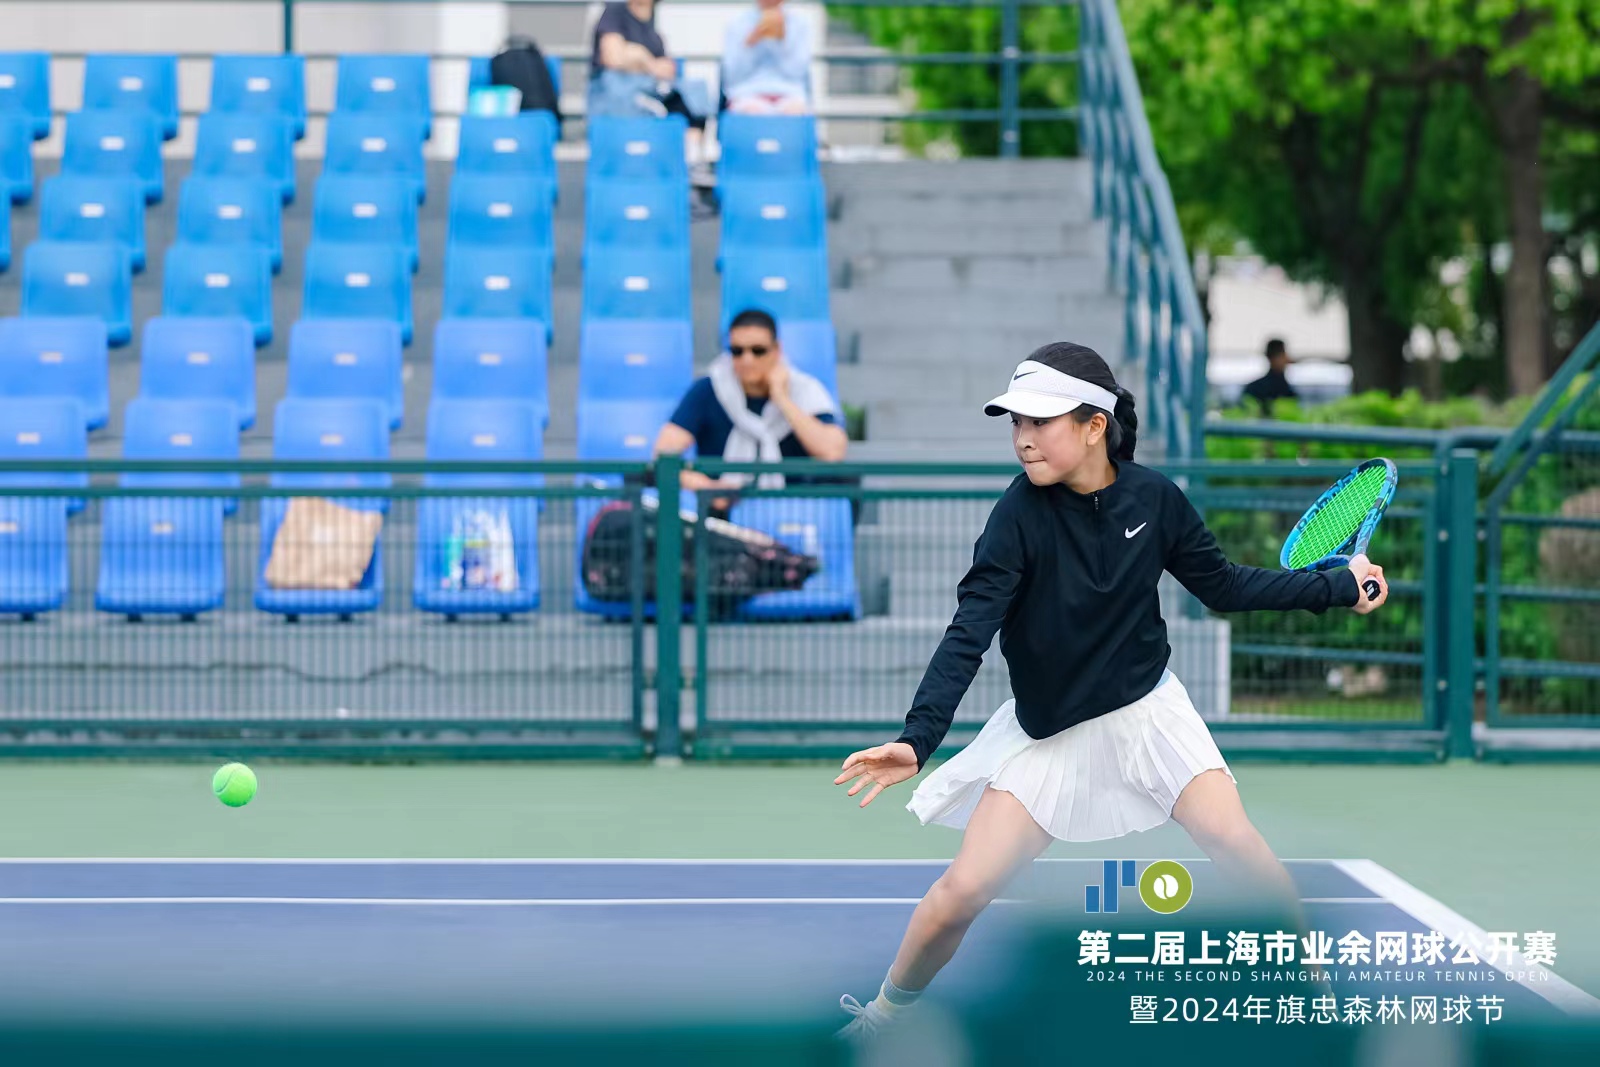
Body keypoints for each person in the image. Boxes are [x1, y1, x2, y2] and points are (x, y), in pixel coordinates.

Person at [831, 341, 1388, 1040]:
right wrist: (918, 740)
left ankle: (1320, 1009)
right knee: (961, 893)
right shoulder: (1016, 517)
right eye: (1016, 422)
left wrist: (1336, 586)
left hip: (1148, 711)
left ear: (1095, 425)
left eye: (1040, 421)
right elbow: (969, 630)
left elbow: (1224, 585)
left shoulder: (1155, 498)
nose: (1023, 437)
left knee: (1238, 846)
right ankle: (884, 1015)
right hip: (1049, 734)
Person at [653, 309, 846, 511]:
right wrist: (707, 486)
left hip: (794, 512)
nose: (747, 360)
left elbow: (832, 452)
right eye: (737, 351)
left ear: (777, 349)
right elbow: (663, 454)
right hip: (723, 515)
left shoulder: (804, 389)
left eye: (758, 351)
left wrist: (782, 398)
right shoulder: (710, 389)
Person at [589, 0, 714, 187]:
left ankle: (692, 163)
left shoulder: (652, 28)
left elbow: (667, 69)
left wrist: (637, 57)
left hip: (653, 93)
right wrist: (647, 62)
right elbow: (613, 57)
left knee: (691, 99)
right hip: (620, 97)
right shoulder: (615, 11)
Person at [721, 0, 812, 115]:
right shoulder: (737, 23)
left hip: (789, 93)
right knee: (752, 111)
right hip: (747, 93)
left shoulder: (799, 24)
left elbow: (797, 72)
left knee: (795, 110)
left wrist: (780, 42)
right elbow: (733, 76)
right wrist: (751, 43)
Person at [1242, 337, 1298, 415]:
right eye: (1284, 355)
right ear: (1275, 358)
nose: (1286, 359)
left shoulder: (1253, 387)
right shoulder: (1282, 388)